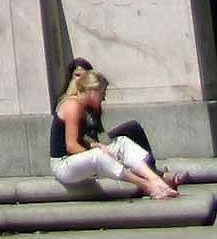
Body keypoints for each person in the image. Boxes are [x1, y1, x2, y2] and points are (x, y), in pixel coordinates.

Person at [48, 64, 184, 200]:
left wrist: (98, 146)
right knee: (98, 155)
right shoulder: (73, 105)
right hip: (63, 166)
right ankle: (149, 187)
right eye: (102, 93)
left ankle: (156, 180)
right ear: (92, 91)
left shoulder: (82, 106)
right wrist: (102, 153)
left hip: (74, 160)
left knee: (121, 142)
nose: (104, 98)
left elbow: (80, 142)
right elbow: (71, 146)